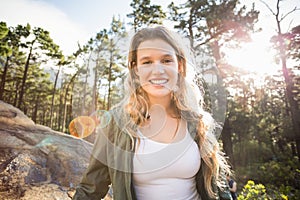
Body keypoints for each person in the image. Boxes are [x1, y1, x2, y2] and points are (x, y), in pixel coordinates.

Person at [72, 26, 231, 200]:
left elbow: (219, 188)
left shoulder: (198, 121)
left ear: (179, 65)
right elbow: (90, 189)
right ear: (135, 69)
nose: (158, 70)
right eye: (147, 62)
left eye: (166, 60)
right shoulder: (116, 123)